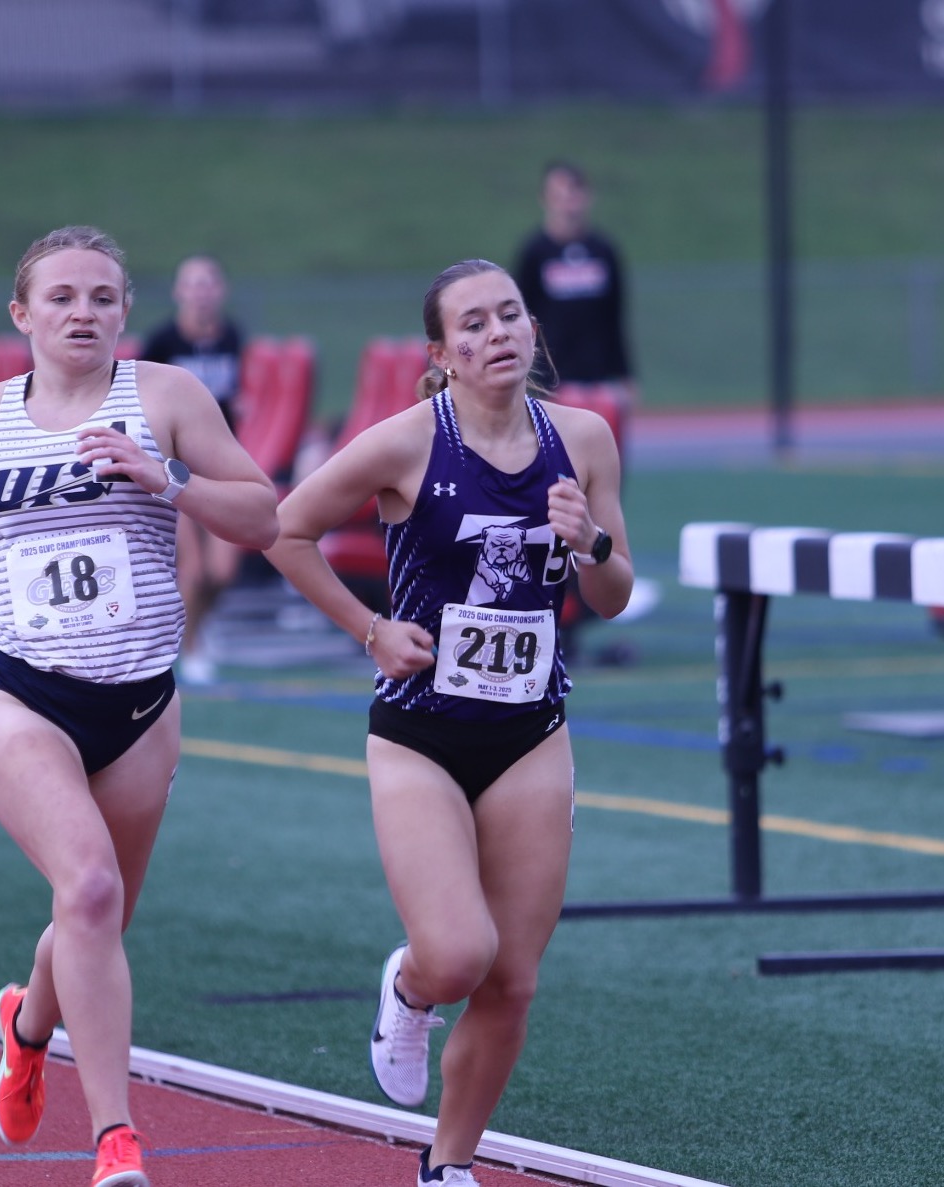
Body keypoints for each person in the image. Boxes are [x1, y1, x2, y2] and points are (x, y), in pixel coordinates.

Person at [0, 226, 278, 1186]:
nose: (85, 312)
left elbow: (263, 514)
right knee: (86, 889)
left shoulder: (167, 398)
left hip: (139, 706)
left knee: (97, 918)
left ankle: (28, 1025)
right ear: (22, 315)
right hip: (19, 693)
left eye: (105, 297)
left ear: (125, 310)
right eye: (64, 297)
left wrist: (167, 478)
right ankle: (116, 1140)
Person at [265, 259, 632, 1186]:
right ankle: (408, 986)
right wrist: (369, 628)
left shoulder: (583, 439)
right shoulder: (403, 444)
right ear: (442, 353)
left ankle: (448, 1165)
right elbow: (286, 529)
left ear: (533, 330)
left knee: (513, 978)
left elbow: (614, 592)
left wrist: (588, 539)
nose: (497, 333)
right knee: (459, 953)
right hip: (420, 735)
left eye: (510, 314)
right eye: (472, 324)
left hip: (530, 734)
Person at [140, 255, 246, 685]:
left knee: (223, 570)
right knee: (195, 568)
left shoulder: (232, 336)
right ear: (179, 292)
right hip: (175, 464)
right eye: (193, 285)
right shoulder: (162, 341)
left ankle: (200, 621)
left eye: (209, 284)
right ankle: (192, 644)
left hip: (219, 462)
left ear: (219, 291)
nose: (201, 293)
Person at [512, 161, 635, 414]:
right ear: (545, 199)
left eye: (574, 193)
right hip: (553, 381)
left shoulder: (603, 250)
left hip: (597, 379)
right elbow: (520, 317)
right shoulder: (534, 252)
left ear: (587, 196)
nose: (568, 202)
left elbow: (615, 316)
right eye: (560, 195)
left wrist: (624, 374)